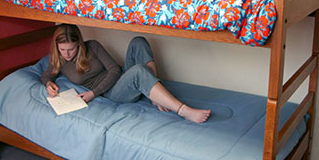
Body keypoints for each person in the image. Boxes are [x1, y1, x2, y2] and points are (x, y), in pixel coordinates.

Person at [41, 24, 211, 123]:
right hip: (111, 93)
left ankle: (154, 96)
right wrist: (49, 84)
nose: (67, 54)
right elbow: (46, 76)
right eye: (62, 49)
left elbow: (114, 69)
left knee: (139, 41)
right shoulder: (59, 60)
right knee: (138, 72)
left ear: (79, 44)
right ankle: (183, 110)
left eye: (71, 49)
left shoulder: (92, 46)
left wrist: (93, 93)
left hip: (117, 79)